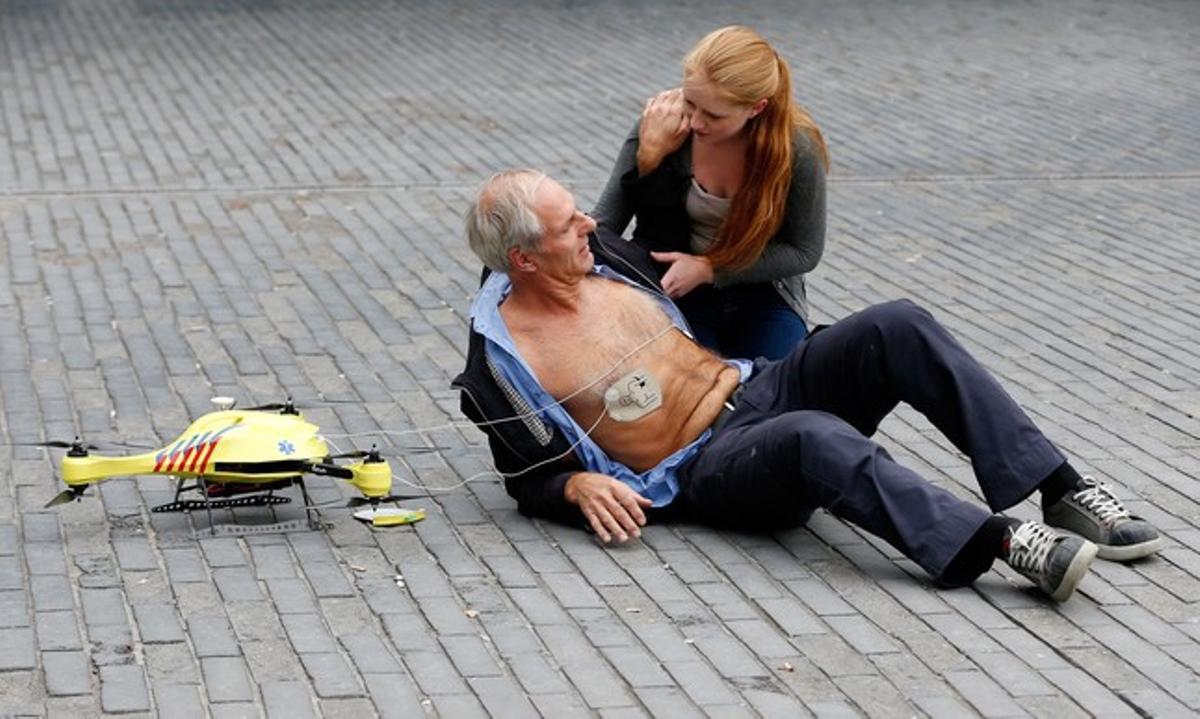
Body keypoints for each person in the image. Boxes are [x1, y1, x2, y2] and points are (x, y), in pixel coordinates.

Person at [454, 170, 1164, 602]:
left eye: (581, 212)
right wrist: (573, 488)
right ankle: (1002, 543)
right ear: (523, 258)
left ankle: (1061, 487)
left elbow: (661, 207)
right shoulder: (503, 363)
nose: (589, 224)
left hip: (758, 384)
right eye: (568, 223)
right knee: (814, 437)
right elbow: (523, 473)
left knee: (897, 324)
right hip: (711, 467)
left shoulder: (600, 255)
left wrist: (649, 150)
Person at [592, 25, 828, 361]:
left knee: (781, 390)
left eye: (714, 115)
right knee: (694, 394)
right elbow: (604, 224)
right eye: (690, 102)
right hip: (678, 292)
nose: (696, 122)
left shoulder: (796, 148)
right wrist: (649, 157)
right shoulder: (663, 123)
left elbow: (804, 252)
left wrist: (709, 268)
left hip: (762, 293)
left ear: (756, 108)